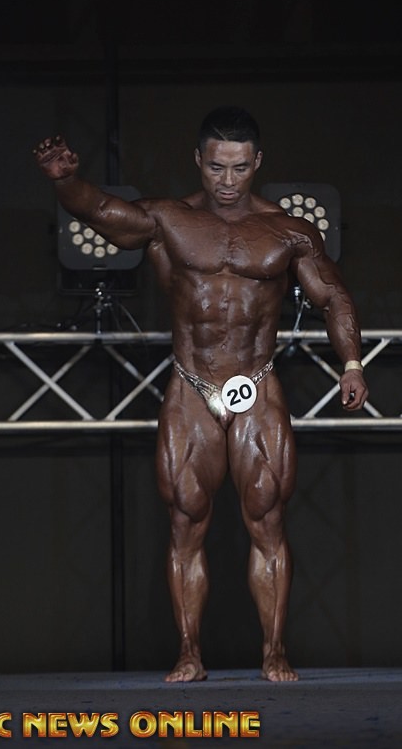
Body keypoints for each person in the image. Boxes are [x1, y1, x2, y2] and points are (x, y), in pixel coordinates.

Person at [33, 106, 368, 683]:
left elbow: (334, 297)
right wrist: (67, 182)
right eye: (216, 167)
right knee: (186, 520)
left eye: (239, 168)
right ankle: (188, 650)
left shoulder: (290, 231)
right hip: (191, 386)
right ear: (198, 160)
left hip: (257, 385)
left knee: (267, 516)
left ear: (257, 162)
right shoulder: (169, 219)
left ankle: (274, 651)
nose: (227, 180)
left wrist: (353, 363)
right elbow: (103, 213)